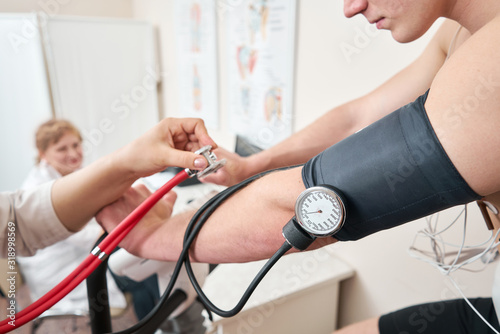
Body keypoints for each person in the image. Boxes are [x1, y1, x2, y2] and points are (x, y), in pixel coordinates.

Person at [96, 0, 500, 333]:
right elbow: (357, 118)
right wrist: (252, 165)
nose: (351, 8)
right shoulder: (460, 35)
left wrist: (150, 238)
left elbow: (312, 202)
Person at [0, 116, 216, 258]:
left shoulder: (70, 174)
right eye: (62, 149)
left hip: (88, 248)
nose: (73, 154)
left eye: (76, 145)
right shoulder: (36, 187)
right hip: (65, 267)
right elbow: (82, 235)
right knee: (149, 265)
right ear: (43, 153)